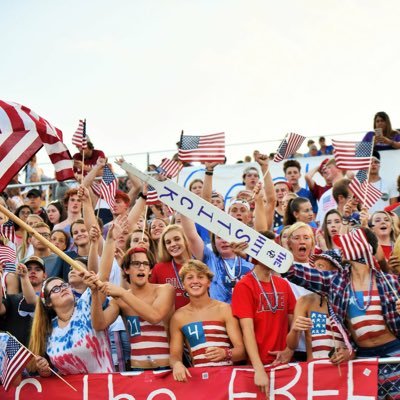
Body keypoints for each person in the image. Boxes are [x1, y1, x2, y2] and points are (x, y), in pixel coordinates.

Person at [284, 227, 400, 400]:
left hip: (394, 354)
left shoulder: (390, 282)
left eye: (347, 242)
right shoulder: (336, 281)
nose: (341, 247)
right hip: (363, 357)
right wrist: (257, 253)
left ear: (362, 247)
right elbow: (294, 272)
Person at [89, 247, 175, 371]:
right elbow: (99, 324)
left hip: (167, 368)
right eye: (136, 264)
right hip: (137, 370)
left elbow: (155, 316)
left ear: (150, 270)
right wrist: (94, 293)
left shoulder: (165, 289)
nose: (141, 267)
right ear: (126, 269)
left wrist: (123, 293)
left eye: (146, 264)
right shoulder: (120, 299)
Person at [231, 246, 296, 394]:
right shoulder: (244, 286)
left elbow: (294, 324)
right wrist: (258, 369)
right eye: (269, 252)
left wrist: (288, 350)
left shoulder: (283, 284)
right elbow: (247, 330)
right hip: (258, 366)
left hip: (284, 364)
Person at [169, 260, 245, 381]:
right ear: (183, 284)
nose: (195, 281)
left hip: (227, 379)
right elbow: (174, 356)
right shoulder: (178, 317)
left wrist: (225, 353)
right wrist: (177, 364)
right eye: (189, 278)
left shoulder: (224, 309)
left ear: (208, 282)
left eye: (200, 277)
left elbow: (241, 351)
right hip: (200, 381)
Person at [29, 274, 114, 376]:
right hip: (73, 391)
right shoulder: (48, 329)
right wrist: (45, 370)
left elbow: (103, 274)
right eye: (56, 289)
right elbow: (56, 373)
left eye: (64, 285)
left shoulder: (86, 303)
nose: (62, 289)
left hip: (104, 385)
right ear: (48, 303)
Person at [286, 252, 351, 362]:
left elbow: (357, 344)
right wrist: (295, 330)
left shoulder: (347, 300)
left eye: (320, 266)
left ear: (335, 273)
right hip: (315, 371)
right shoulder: (304, 301)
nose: (315, 271)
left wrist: (348, 354)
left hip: (344, 370)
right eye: (314, 267)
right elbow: (292, 345)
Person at [151, 225, 192, 309]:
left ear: (185, 240)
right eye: (168, 242)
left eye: (177, 239)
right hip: (171, 320)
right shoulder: (158, 269)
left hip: (199, 318)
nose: (173, 244)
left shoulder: (199, 264)